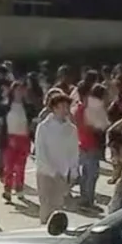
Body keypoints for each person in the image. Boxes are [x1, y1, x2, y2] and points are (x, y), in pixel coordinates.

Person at [33, 93, 80, 223]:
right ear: (54, 108)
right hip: (45, 172)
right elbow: (41, 151)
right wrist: (52, 171)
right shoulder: (44, 127)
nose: (65, 110)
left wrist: (74, 172)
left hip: (62, 173)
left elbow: (74, 151)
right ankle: (44, 227)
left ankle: (55, 230)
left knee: (58, 205)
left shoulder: (71, 129)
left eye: (67, 107)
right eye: (62, 106)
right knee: (46, 205)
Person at [73, 82, 111, 211]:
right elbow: (96, 127)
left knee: (86, 173)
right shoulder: (89, 110)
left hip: (83, 143)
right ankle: (87, 200)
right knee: (92, 174)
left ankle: (85, 198)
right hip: (91, 144)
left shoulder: (79, 109)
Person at [0, 82, 33, 204]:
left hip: (23, 138)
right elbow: (1, 123)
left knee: (20, 166)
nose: (19, 92)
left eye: (21, 90)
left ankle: (19, 188)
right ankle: (7, 190)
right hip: (9, 138)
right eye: (17, 90)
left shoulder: (28, 107)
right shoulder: (5, 106)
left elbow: (31, 123)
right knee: (8, 167)